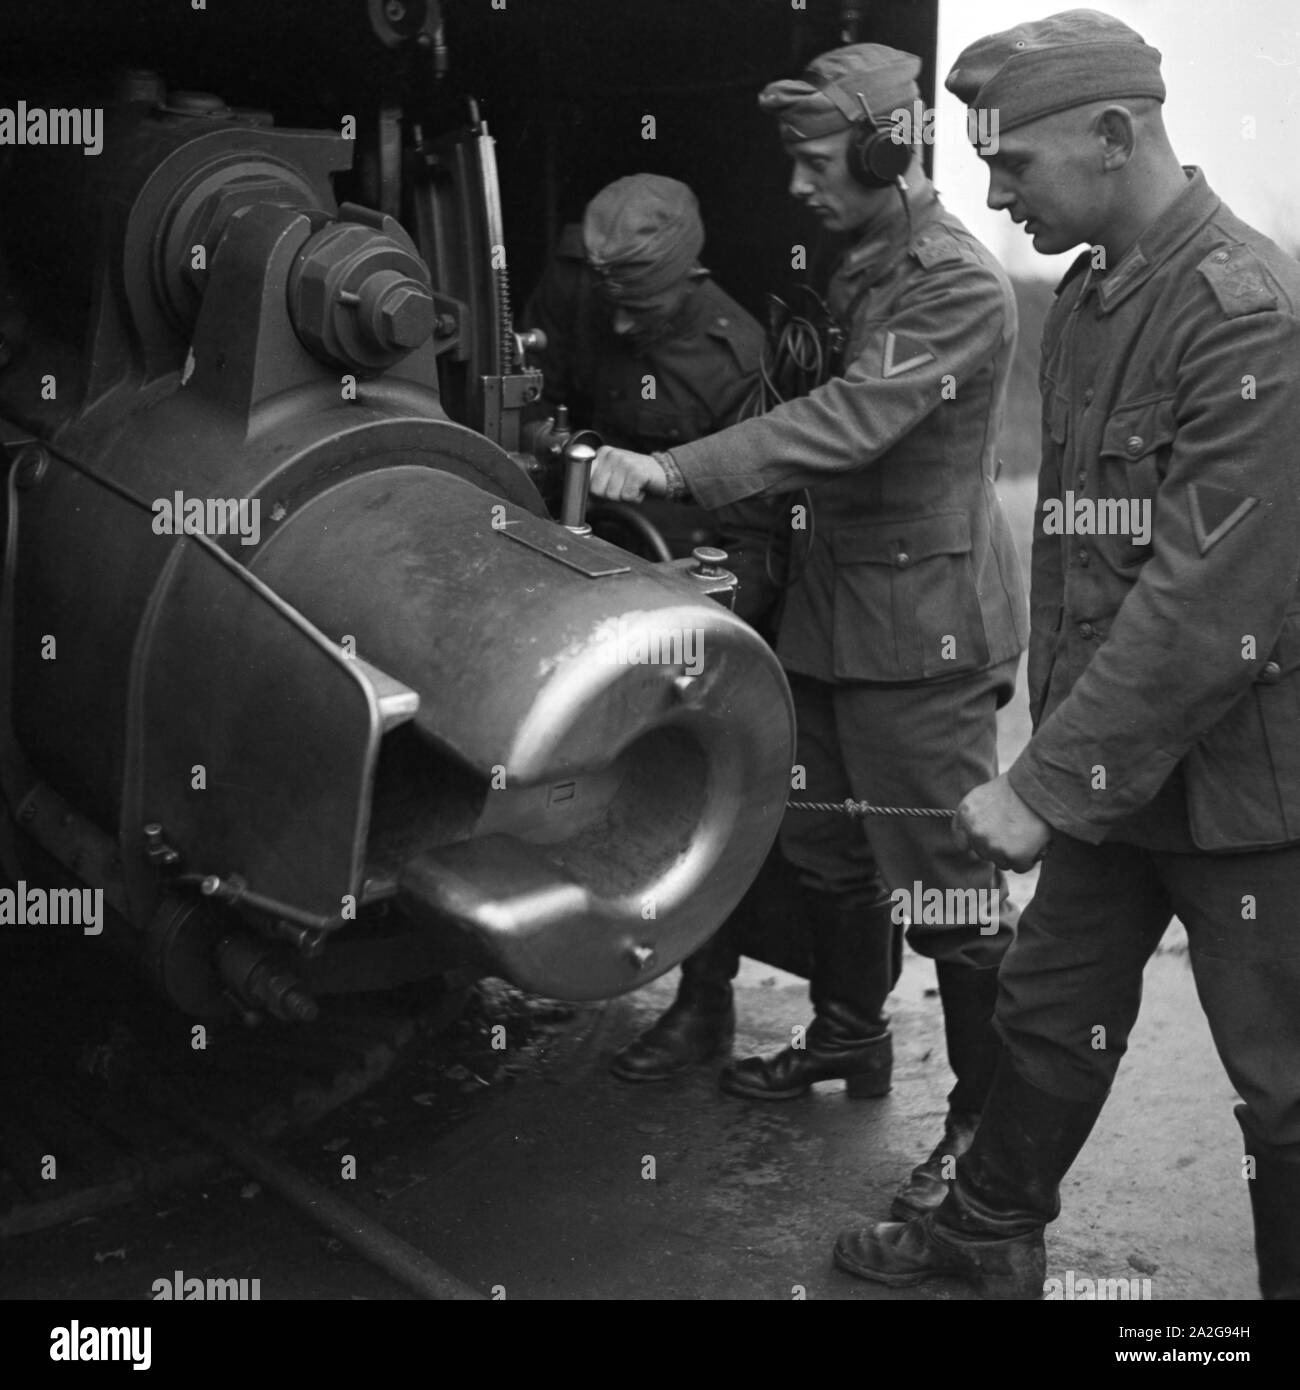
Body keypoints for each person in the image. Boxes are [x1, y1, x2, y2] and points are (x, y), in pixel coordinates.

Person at [833, 9, 1300, 1301]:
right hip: (1113, 766)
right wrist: (1063, 762)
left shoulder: (1241, 315)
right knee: (1049, 1004)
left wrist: (1041, 787)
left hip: (1247, 789)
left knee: (1283, 1077)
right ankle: (987, 1227)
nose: (991, 193)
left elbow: (1209, 603)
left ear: (1113, 134)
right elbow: (1084, 558)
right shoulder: (1092, 300)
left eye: (1014, 164)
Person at [591, 43, 1029, 1223]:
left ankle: (983, 1141)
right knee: (829, 851)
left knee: (946, 892)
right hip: (836, 613)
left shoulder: (954, 285)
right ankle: (848, 1039)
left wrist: (674, 465)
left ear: (889, 152)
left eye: (815, 159)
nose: (793, 186)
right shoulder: (861, 268)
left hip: (921, 634)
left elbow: (843, 422)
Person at [523, 174, 783, 635]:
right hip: (560, 543)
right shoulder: (576, 282)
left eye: (641, 310)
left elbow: (754, 544)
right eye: (612, 305)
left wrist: (691, 638)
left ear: (691, 281)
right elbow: (528, 401)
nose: (621, 326)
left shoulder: (736, 364)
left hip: (665, 574)